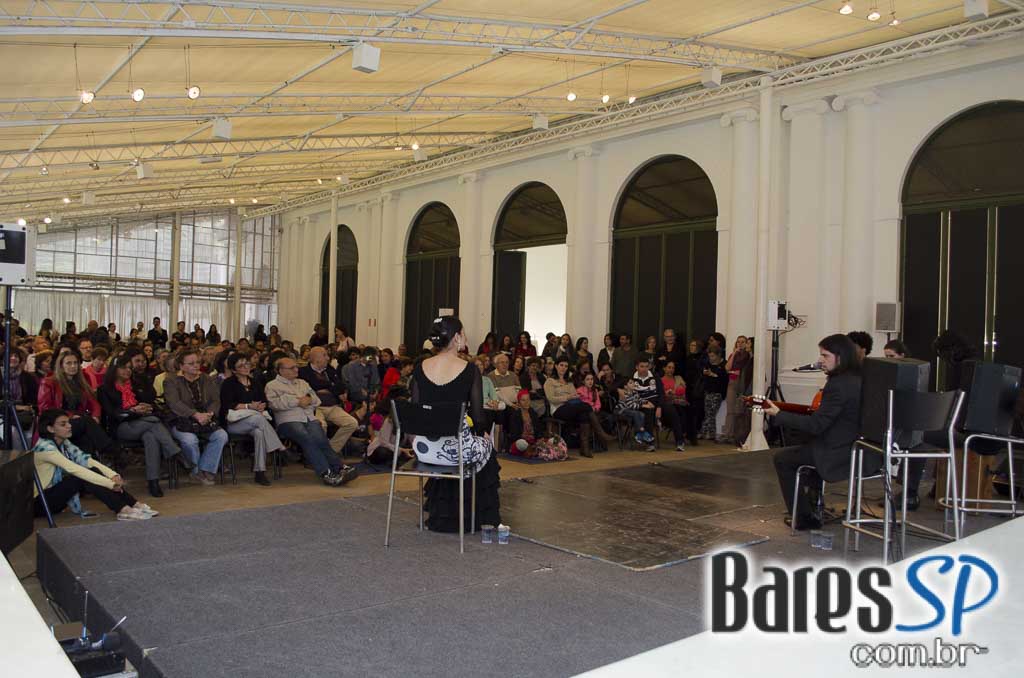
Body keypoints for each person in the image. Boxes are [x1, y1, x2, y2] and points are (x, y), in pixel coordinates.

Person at [765, 334, 869, 530]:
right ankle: (813, 503)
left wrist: (779, 414)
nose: (820, 360)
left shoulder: (837, 384)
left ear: (841, 357)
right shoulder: (859, 378)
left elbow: (816, 425)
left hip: (838, 452)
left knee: (783, 459)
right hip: (859, 448)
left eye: (825, 355)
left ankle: (803, 518)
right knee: (805, 448)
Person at [410, 315, 500, 532]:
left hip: (426, 449)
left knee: (457, 443)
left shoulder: (420, 367)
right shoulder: (470, 370)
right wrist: (484, 434)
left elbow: (415, 412)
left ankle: (442, 512)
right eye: (464, 334)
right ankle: (474, 515)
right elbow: (478, 417)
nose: (466, 338)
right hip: (456, 450)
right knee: (486, 448)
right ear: (457, 337)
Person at [32, 409, 157, 521]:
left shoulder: (63, 442)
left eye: (68, 422)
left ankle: (133, 504)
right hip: (40, 503)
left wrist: (113, 475)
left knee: (92, 469)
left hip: (53, 499)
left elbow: (86, 460)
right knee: (81, 477)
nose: (69, 426)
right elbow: (75, 469)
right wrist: (110, 484)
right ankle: (123, 509)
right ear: (50, 429)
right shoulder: (45, 449)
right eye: (63, 424)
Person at [266, 357, 359, 486]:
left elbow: (316, 400)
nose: (296, 369)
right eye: (292, 368)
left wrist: (308, 399)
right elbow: (274, 404)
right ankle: (326, 473)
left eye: (296, 366)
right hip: (288, 421)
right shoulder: (272, 386)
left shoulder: (302, 383)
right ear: (281, 370)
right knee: (307, 438)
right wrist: (297, 401)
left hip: (308, 417)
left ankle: (340, 468)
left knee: (321, 439)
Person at [98, 357, 181, 498]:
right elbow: (112, 413)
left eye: (130, 368)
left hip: (142, 423)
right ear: (114, 369)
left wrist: (144, 407)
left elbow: (149, 401)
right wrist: (132, 411)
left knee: (151, 437)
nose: (128, 371)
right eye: (124, 367)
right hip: (120, 426)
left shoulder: (135, 385)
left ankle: (153, 481)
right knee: (154, 421)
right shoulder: (105, 389)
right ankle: (173, 450)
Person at [38, 349, 121, 464]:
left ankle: (93, 467)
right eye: (69, 363)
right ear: (61, 366)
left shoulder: (80, 382)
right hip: (57, 423)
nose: (73, 366)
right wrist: (70, 416)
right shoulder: (49, 382)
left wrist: (96, 416)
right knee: (85, 421)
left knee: (85, 437)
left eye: (75, 363)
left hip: (79, 422)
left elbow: (94, 403)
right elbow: (46, 410)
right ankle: (111, 450)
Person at [220, 352, 285, 487]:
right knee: (257, 418)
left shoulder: (255, 382)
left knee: (259, 432)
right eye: (241, 365)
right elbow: (228, 404)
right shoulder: (228, 383)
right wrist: (249, 406)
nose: (246, 367)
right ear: (234, 370)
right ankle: (276, 445)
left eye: (247, 364)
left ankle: (260, 471)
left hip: (255, 421)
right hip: (234, 422)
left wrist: (261, 406)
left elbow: (263, 400)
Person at [163, 349, 227, 486]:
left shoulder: (206, 379)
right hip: (181, 421)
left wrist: (209, 414)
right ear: (181, 366)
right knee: (190, 440)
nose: (196, 366)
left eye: (197, 362)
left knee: (221, 435)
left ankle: (206, 469)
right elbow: (175, 404)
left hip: (205, 420)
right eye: (191, 363)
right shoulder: (171, 381)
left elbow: (215, 400)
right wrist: (195, 414)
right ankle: (195, 472)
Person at [544, 357, 613, 457]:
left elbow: (575, 396)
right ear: (556, 366)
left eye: (566, 366)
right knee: (586, 406)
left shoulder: (569, 382)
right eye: (561, 365)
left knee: (584, 415)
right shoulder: (550, 381)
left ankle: (584, 448)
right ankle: (601, 433)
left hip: (572, 407)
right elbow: (551, 398)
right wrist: (567, 397)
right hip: (558, 409)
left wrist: (572, 397)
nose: (563, 368)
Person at [299, 346, 359, 456]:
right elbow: (313, 387)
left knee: (351, 423)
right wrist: (330, 385)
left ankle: (330, 451)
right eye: (325, 355)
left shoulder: (330, 370)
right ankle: (317, 455)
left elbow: (340, 386)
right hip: (315, 407)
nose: (328, 358)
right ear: (316, 359)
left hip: (332, 406)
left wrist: (326, 388)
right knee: (321, 426)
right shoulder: (303, 372)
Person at [721, 336, 751, 444]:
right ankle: (727, 434)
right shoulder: (733, 354)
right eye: (738, 342)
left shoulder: (747, 355)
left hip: (742, 383)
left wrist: (734, 371)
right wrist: (734, 353)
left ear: (746, 343)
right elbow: (727, 368)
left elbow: (743, 369)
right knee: (730, 410)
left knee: (739, 410)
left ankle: (736, 435)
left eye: (743, 342)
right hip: (732, 382)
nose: (740, 344)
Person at [4, 347, 39, 439]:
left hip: (24, 412)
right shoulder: (1, 375)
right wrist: (16, 407)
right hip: (4, 411)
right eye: (10, 356)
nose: (13, 358)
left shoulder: (28, 377)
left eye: (16, 356)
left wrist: (29, 407)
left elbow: (33, 398)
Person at [698, 347, 728, 440]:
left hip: (718, 392)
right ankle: (710, 433)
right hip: (708, 391)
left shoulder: (724, 364)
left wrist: (713, 375)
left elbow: (724, 379)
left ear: (718, 355)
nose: (711, 358)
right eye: (709, 356)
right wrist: (705, 373)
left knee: (711, 413)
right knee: (708, 413)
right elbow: (703, 374)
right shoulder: (708, 364)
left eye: (713, 356)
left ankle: (704, 432)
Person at [660, 360, 689, 451]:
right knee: (675, 412)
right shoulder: (660, 381)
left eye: (673, 368)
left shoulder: (678, 378)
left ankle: (683, 437)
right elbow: (660, 396)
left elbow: (684, 393)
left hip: (679, 403)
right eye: (669, 367)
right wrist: (666, 393)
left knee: (684, 409)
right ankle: (680, 441)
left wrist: (675, 393)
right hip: (667, 405)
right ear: (664, 368)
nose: (671, 370)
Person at [507, 389, 541, 454]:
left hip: (533, 442)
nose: (526, 402)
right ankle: (530, 450)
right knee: (521, 444)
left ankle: (532, 450)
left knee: (550, 442)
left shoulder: (533, 413)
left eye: (528, 399)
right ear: (519, 402)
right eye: (523, 400)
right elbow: (514, 436)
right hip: (521, 442)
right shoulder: (515, 415)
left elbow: (538, 431)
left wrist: (539, 440)